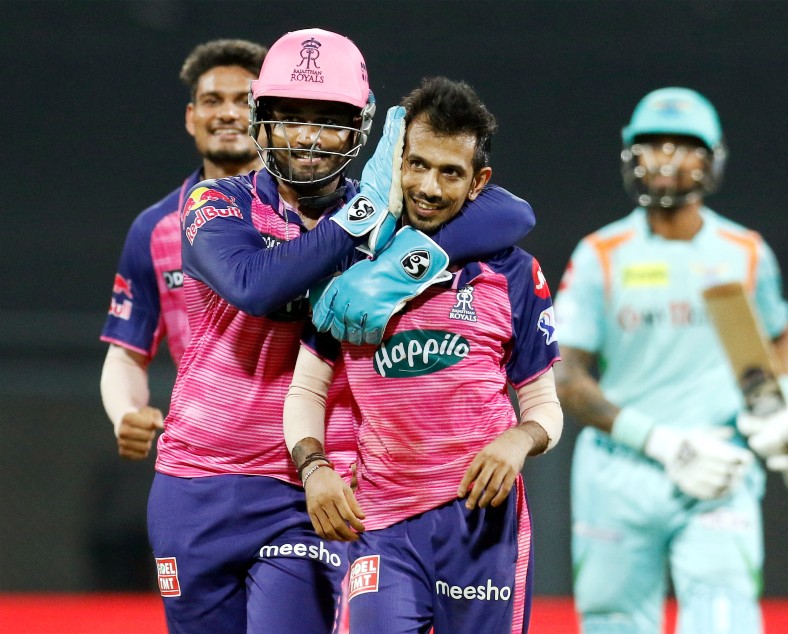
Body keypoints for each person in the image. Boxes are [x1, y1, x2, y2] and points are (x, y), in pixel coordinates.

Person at [147, 28, 537, 634]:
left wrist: (398, 264)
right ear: (261, 120)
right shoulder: (214, 204)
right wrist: (362, 220)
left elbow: (512, 212)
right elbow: (254, 286)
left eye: (328, 121)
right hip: (196, 478)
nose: (308, 136)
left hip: (313, 487)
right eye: (290, 117)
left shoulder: (390, 220)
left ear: (360, 128)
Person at [284, 76, 563, 634]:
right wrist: (314, 469)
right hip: (381, 523)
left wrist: (516, 441)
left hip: (482, 523)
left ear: (479, 182)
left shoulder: (512, 272)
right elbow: (306, 390)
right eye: (417, 165)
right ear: (398, 162)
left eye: (450, 172)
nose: (429, 187)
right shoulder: (350, 265)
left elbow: (545, 407)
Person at [553, 87, 788, 634]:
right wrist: (661, 443)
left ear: (712, 159)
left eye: (684, 146)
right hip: (621, 471)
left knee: (723, 621)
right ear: (632, 155)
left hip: (720, 463)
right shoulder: (600, 254)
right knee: (613, 624)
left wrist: (785, 398)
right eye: (654, 145)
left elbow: (782, 337)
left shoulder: (745, 251)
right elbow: (562, 374)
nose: (667, 159)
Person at [100, 38, 267, 460]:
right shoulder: (155, 229)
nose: (227, 113)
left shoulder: (308, 218)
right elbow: (126, 354)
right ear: (192, 117)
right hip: (201, 457)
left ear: (268, 117)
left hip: (304, 458)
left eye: (244, 101)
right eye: (212, 100)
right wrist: (125, 413)